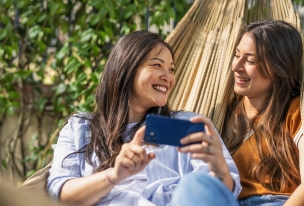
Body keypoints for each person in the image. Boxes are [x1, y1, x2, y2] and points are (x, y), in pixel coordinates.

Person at [47, 31, 241, 206]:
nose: (168, 77)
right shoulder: (80, 128)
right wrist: (114, 175)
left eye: (172, 69)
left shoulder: (187, 125)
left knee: (196, 184)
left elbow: (220, 196)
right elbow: (63, 194)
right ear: (126, 69)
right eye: (157, 65)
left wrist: (219, 169)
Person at [221, 20, 304, 206]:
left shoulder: (295, 111)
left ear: (279, 69)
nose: (236, 67)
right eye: (237, 55)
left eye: (250, 61)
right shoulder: (224, 112)